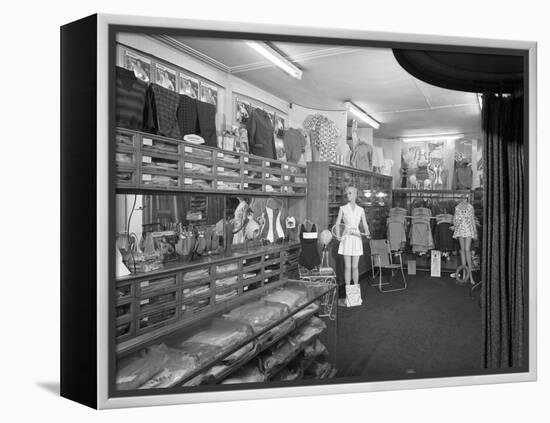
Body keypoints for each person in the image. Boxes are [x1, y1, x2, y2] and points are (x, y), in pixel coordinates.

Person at [335, 186, 370, 286]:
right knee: (348, 267)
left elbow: (365, 224)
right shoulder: (343, 208)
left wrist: (367, 231)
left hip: (356, 238)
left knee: (355, 267)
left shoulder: (361, 210)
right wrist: (338, 235)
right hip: (346, 238)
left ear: (355, 194)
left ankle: (355, 292)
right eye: (347, 193)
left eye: (350, 193)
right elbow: (337, 224)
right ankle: (348, 293)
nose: (348, 195)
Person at [451, 193, 477, 284]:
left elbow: (472, 219)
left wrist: (475, 232)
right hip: (460, 230)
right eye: (462, 198)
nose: (464, 199)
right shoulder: (457, 208)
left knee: (467, 250)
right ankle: (465, 275)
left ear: (467, 198)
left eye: (465, 198)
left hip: (468, 229)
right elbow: (455, 220)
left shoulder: (470, 207)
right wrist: (454, 226)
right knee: (462, 250)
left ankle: (471, 276)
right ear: (460, 198)